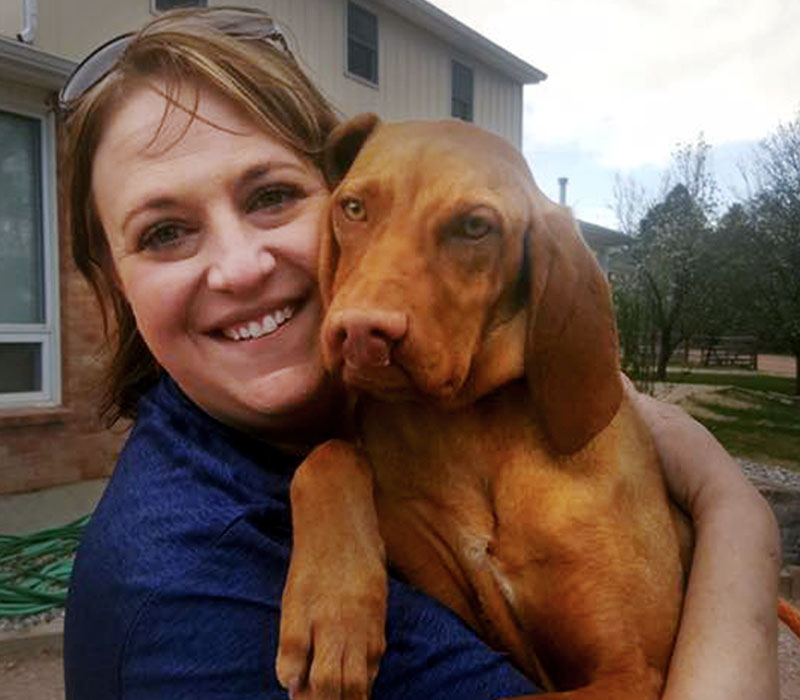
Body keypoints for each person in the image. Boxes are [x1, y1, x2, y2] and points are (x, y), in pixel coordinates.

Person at [59, 7, 780, 700]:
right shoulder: (192, 597)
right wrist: (735, 513)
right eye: (163, 233)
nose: (241, 268)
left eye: (273, 196)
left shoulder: (395, 422)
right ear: (113, 284)